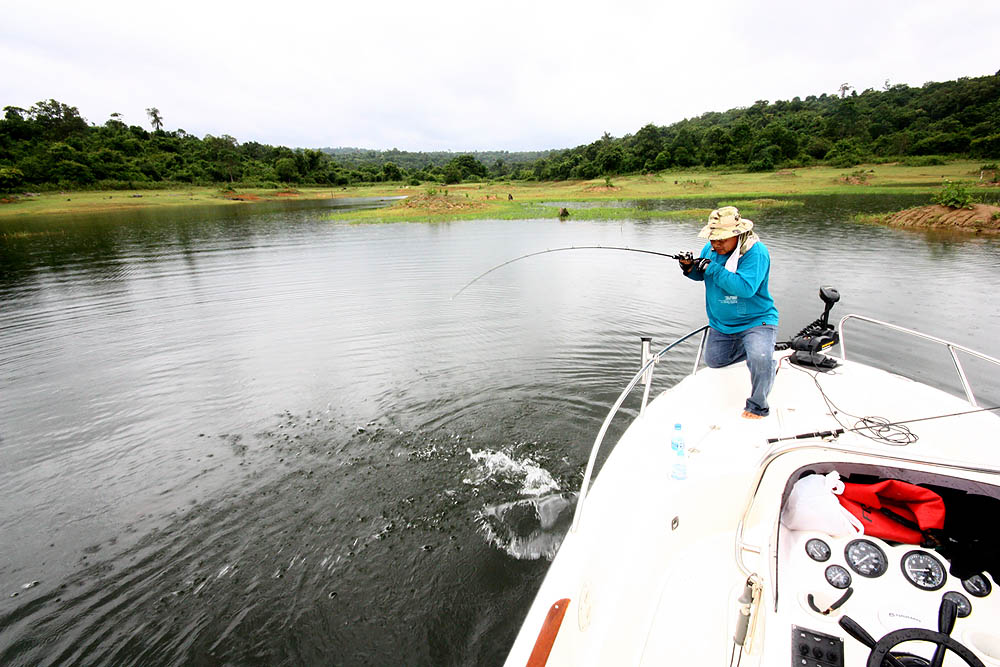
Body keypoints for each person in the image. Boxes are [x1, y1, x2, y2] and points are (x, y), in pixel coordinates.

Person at [679, 206, 779, 419]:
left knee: (760, 357)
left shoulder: (755, 252)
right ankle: (762, 354)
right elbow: (703, 275)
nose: (715, 244)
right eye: (713, 239)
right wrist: (689, 268)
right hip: (722, 325)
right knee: (715, 361)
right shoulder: (711, 249)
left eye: (721, 239)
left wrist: (712, 268)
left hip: (756, 320)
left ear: (737, 234)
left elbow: (745, 288)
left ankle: (758, 405)